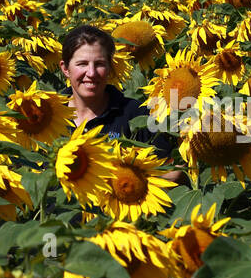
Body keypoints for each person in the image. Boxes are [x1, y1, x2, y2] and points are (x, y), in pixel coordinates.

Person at [59, 25, 185, 183]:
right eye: (82, 64)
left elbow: (169, 169)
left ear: (110, 68)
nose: (91, 73)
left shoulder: (136, 114)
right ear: (65, 69)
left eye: (99, 64)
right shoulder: (48, 114)